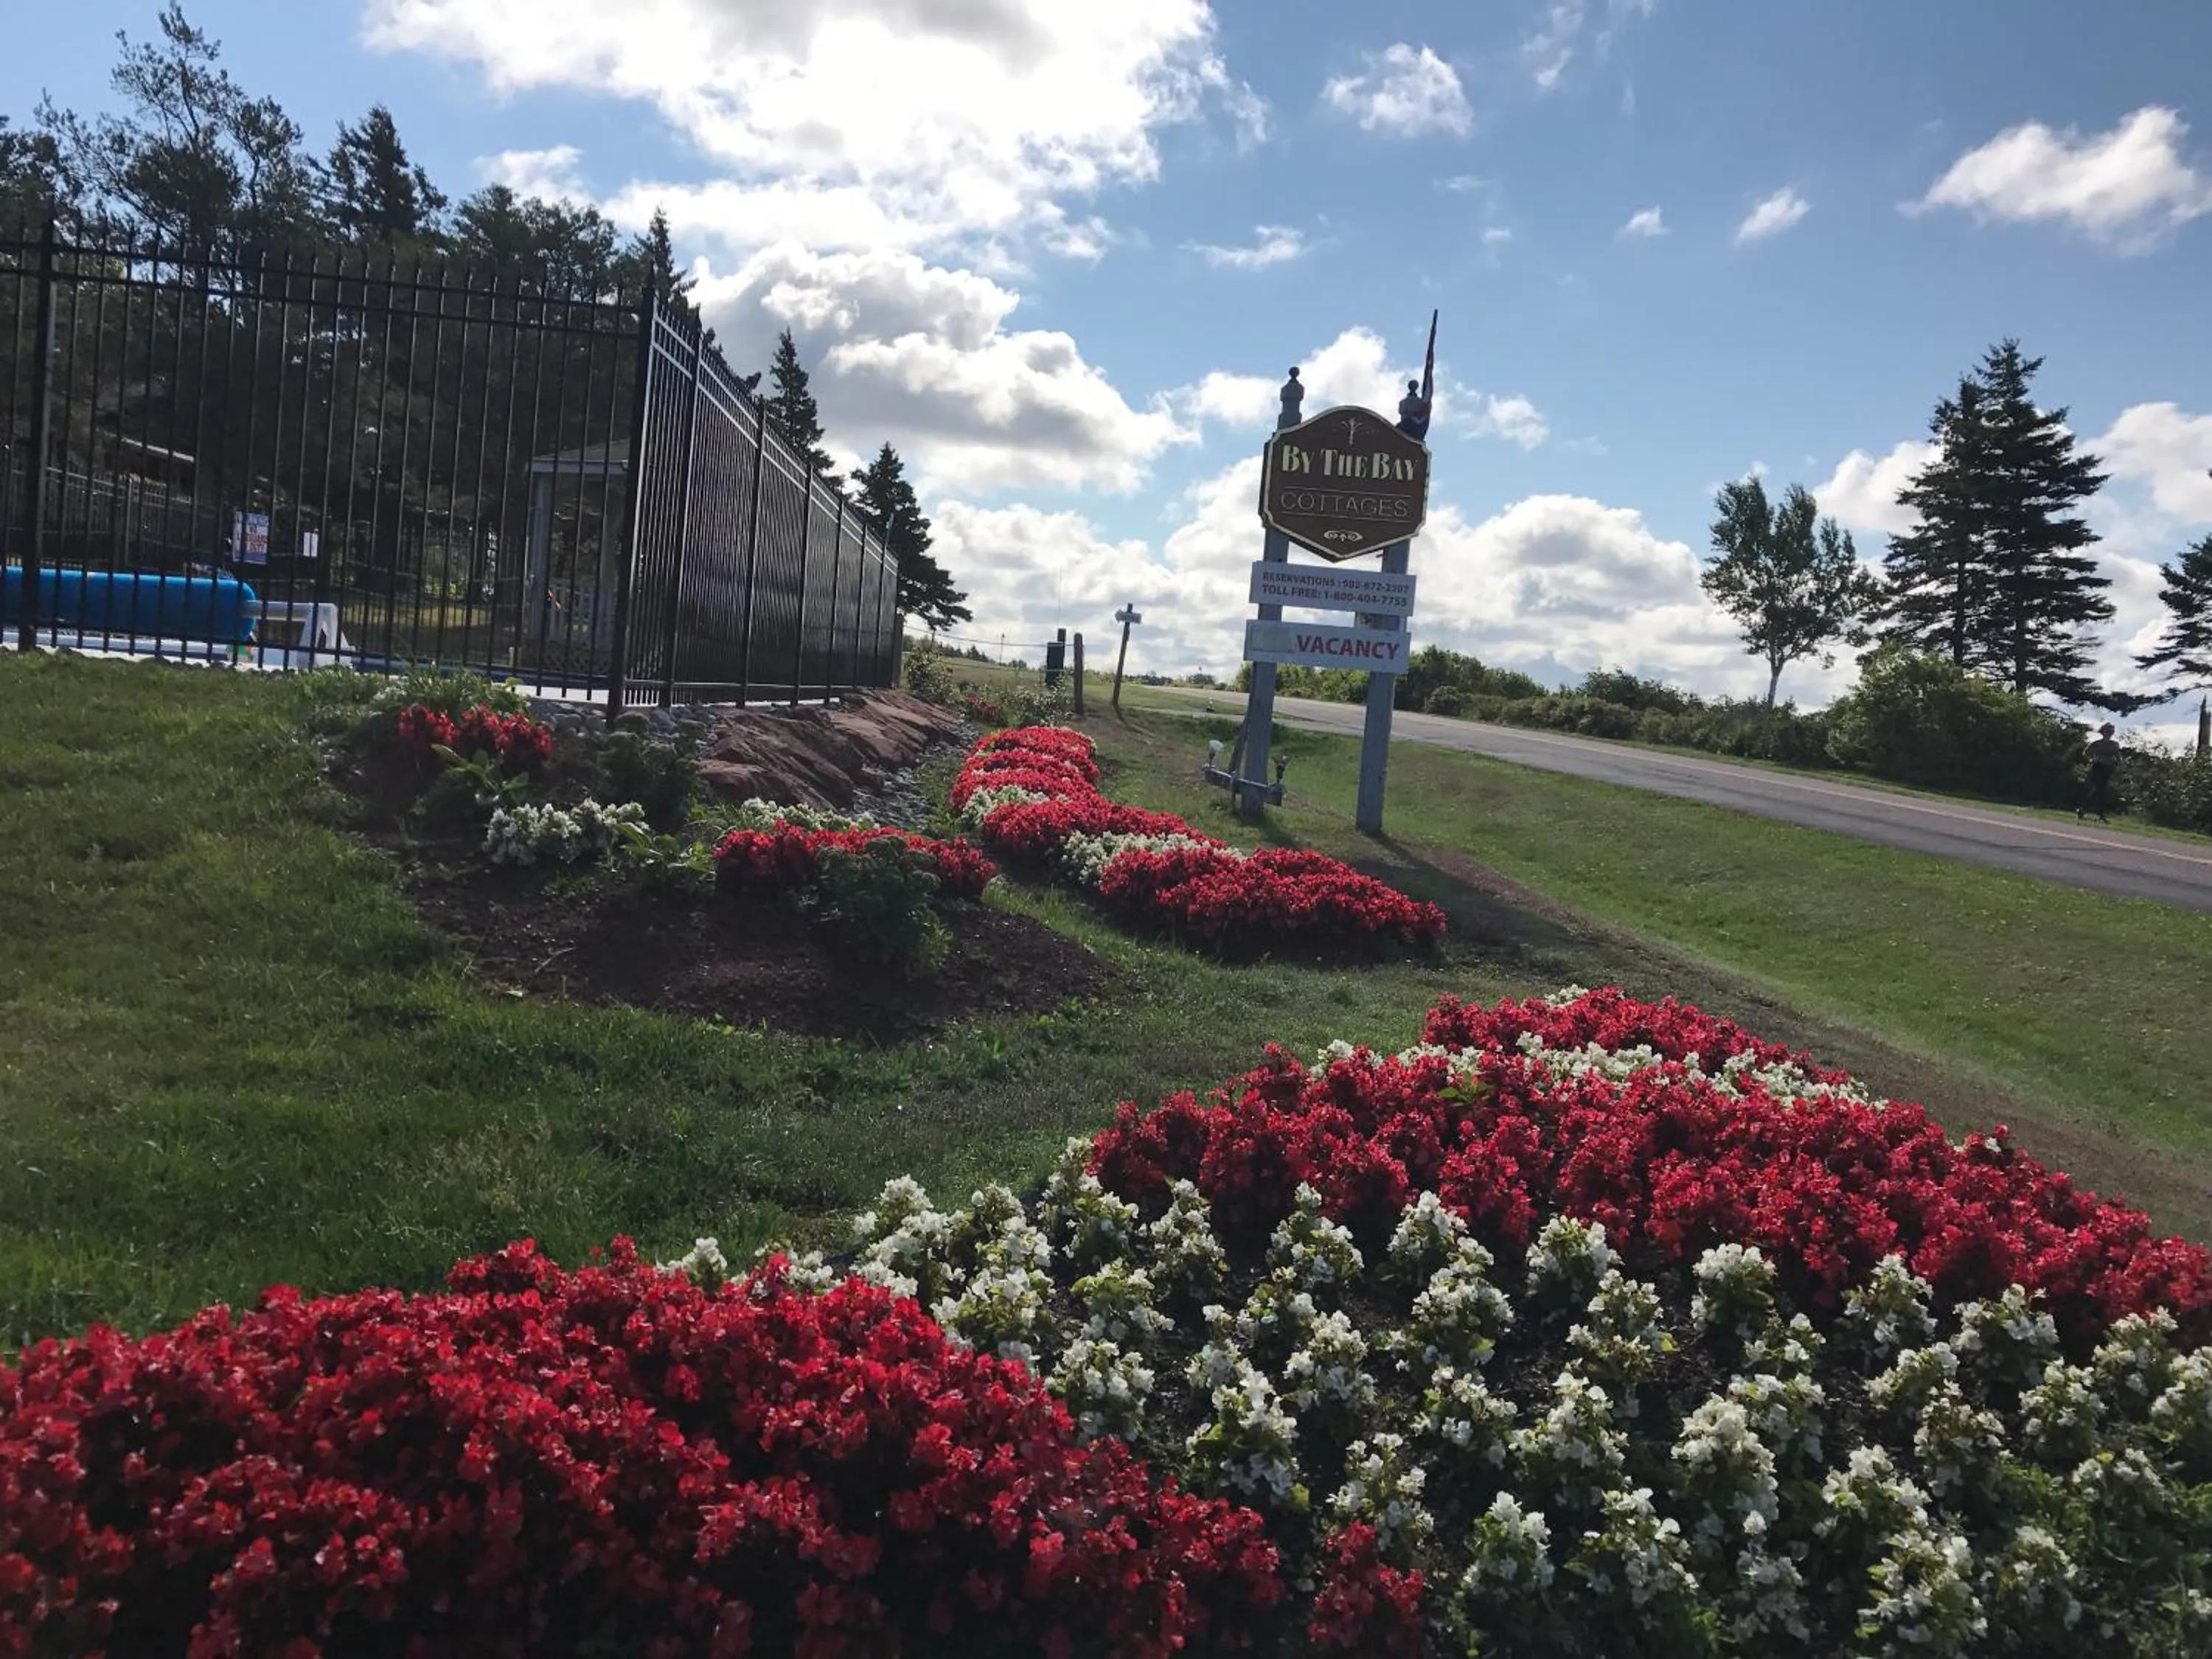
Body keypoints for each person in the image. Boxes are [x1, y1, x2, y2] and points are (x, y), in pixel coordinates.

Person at [2076, 723, 2121, 823]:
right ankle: (2100, 813)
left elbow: (2118, 757)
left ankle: (2084, 809)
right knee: (2099, 790)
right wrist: (2093, 759)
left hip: (2108, 768)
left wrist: (2116, 765)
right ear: (2103, 732)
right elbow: (2086, 753)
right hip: (2098, 767)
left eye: (2110, 732)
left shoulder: (2114, 745)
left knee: (2100, 791)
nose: (2108, 734)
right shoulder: (2097, 744)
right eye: (2107, 731)